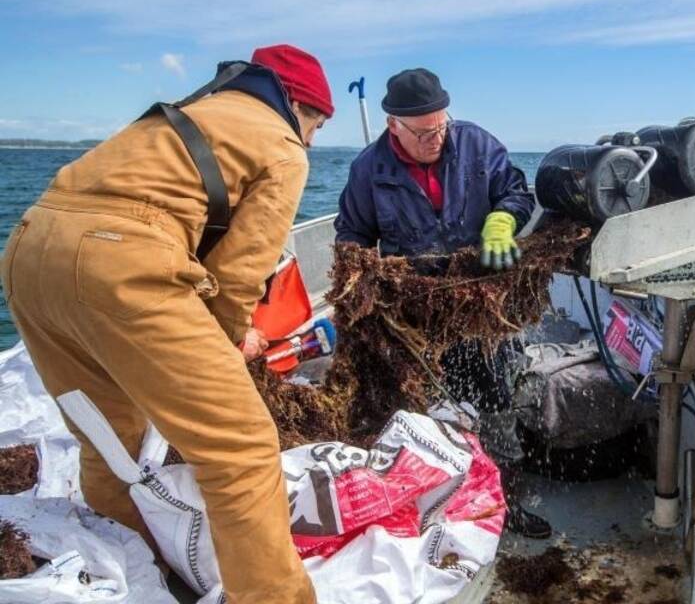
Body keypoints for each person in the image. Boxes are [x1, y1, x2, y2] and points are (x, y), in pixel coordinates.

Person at [0, 44, 333, 604]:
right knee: (242, 450)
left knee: (110, 441)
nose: (313, 139)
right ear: (296, 103)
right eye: (316, 123)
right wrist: (231, 341)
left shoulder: (186, 111)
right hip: (122, 265)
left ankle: (136, 566)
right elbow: (238, 275)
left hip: (29, 252)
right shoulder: (283, 147)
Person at [334, 68, 551, 538]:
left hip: (479, 301)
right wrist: (362, 285)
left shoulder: (477, 144)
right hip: (415, 313)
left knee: (497, 399)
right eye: (424, 132)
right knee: (423, 407)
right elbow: (351, 237)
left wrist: (500, 221)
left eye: (441, 126)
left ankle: (506, 504)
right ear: (394, 125)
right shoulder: (368, 170)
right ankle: (436, 503)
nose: (436, 137)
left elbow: (515, 192)